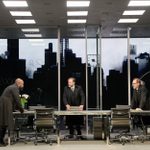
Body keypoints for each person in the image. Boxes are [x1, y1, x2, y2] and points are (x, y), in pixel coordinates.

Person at [0, 78, 24, 146]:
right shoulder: (14, 88)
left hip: (5, 104)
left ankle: (1, 140)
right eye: (22, 84)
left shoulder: (12, 87)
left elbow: (13, 100)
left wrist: (15, 109)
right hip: (5, 105)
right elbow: (17, 99)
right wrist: (21, 109)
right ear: (19, 83)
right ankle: (0, 141)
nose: (23, 85)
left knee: (4, 123)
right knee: (3, 123)